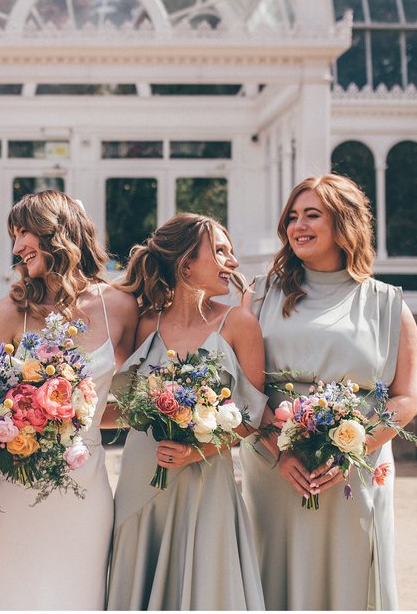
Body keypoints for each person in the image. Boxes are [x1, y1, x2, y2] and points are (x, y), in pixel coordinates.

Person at [239, 174, 417, 610]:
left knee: (352, 574)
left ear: (344, 223)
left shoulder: (388, 304)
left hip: (354, 471)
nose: (298, 225)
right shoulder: (260, 296)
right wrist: (278, 452)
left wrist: (350, 451)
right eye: (292, 217)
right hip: (275, 467)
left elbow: (406, 399)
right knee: (275, 572)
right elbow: (243, 386)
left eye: (312, 215)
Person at [0, 190, 139, 610]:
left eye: (24, 232)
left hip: (85, 483)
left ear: (58, 232)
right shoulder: (7, 312)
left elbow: (134, 400)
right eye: (14, 236)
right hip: (14, 480)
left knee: (79, 593)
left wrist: (79, 423)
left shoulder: (119, 306)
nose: (16, 248)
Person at [106, 213, 269, 610]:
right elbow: (123, 406)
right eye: (220, 251)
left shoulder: (239, 323)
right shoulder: (145, 323)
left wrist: (200, 450)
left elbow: (253, 416)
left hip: (206, 479)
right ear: (186, 264)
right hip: (142, 476)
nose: (231, 262)